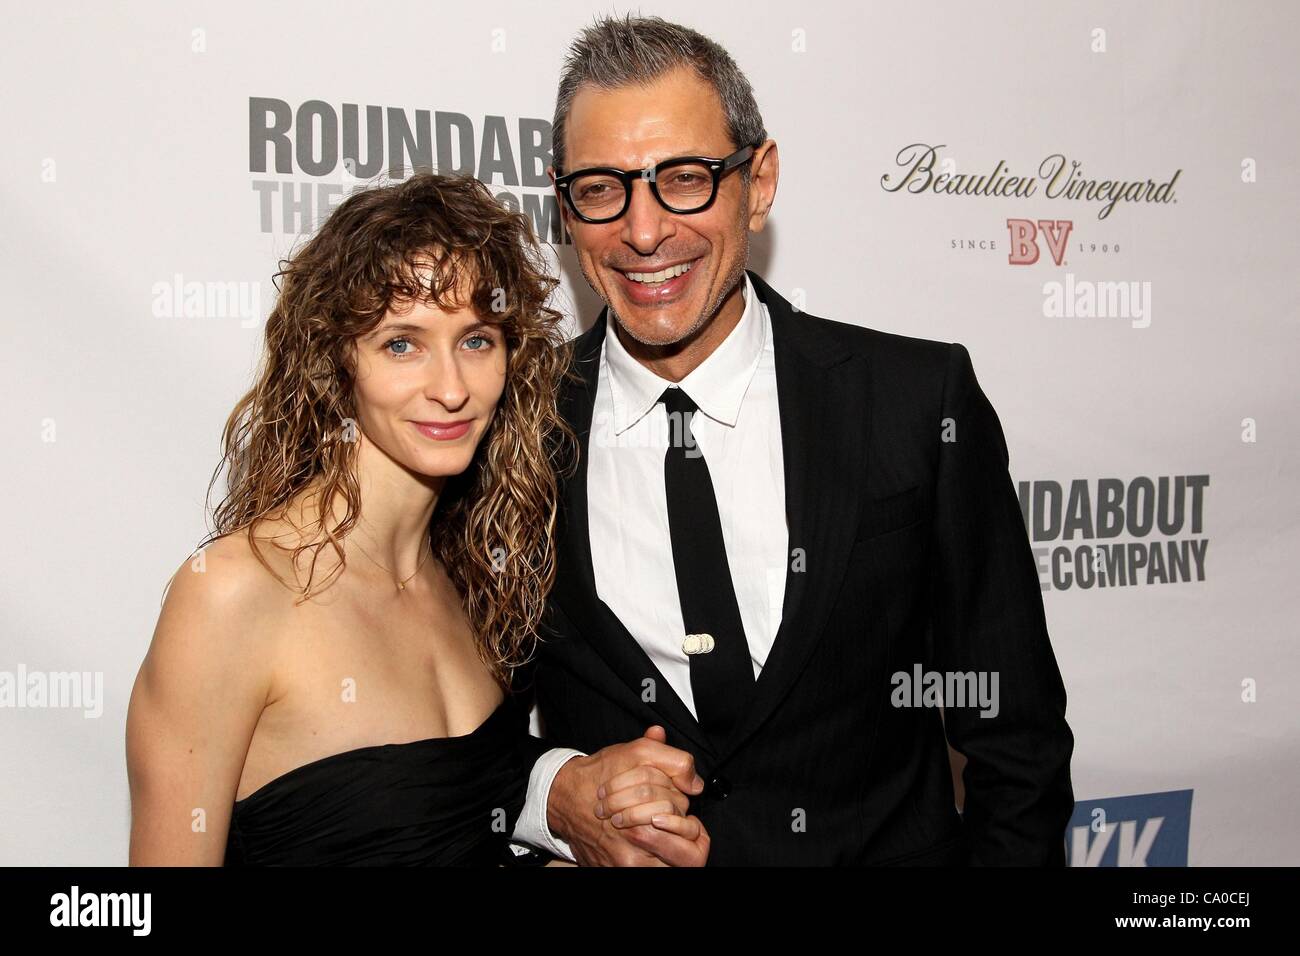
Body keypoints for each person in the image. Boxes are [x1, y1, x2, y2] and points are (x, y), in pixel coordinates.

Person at [510, 14, 1076, 866]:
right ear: (566, 205)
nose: (644, 230)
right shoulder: (509, 430)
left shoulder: (917, 402)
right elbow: (447, 747)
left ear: (759, 179)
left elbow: (1015, 741)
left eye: (686, 178)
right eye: (602, 187)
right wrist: (553, 793)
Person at [126, 171, 708, 866]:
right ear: (336, 361)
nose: (452, 389)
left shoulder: (474, 581)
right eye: (402, 343)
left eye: (477, 340)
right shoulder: (232, 593)